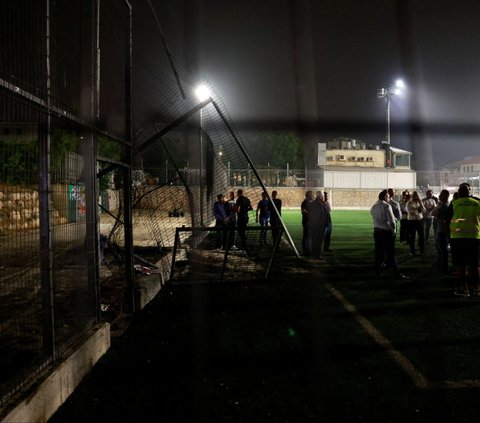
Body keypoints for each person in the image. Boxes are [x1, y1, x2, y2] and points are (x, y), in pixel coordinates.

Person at [446, 184, 480, 297]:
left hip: (457, 238)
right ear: (469, 192)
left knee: (461, 265)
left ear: (459, 193)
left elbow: (447, 221)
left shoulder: (454, 204)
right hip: (475, 237)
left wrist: (448, 236)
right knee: (475, 265)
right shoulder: (477, 202)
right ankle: (477, 289)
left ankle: (464, 289)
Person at [370, 189, 407, 279]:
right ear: (384, 197)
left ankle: (377, 273)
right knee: (391, 254)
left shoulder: (374, 206)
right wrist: (393, 231)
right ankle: (396, 274)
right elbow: (392, 221)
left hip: (377, 231)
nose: (389, 197)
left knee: (378, 254)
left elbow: (371, 214)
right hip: (386, 232)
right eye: (388, 196)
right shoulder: (387, 206)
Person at [431, 189, 450, 272]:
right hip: (440, 228)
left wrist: (437, 206)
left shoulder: (444, 206)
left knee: (442, 248)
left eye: (441, 194)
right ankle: (440, 262)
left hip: (442, 229)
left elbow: (433, 213)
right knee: (439, 247)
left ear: (445, 196)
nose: (439, 196)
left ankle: (444, 265)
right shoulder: (443, 204)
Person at [308, 192, 328, 259]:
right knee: (318, 241)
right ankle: (316, 254)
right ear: (319, 197)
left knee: (316, 240)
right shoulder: (316, 204)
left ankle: (315, 254)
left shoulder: (320, 204)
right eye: (322, 196)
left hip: (319, 225)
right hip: (318, 226)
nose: (323, 198)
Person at [406, 190, 426, 256]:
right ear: (412, 196)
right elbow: (410, 213)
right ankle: (412, 251)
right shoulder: (409, 203)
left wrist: (420, 203)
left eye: (417, 195)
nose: (416, 197)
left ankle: (422, 251)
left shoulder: (420, 202)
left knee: (422, 236)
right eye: (415, 195)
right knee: (412, 236)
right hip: (412, 221)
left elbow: (424, 210)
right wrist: (418, 210)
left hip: (420, 220)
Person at [301, 191, 314, 256]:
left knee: (309, 237)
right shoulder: (305, 203)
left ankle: (308, 250)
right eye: (311, 195)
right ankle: (306, 250)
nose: (313, 196)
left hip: (310, 222)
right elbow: (303, 211)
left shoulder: (311, 203)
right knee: (306, 237)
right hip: (307, 222)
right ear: (308, 196)